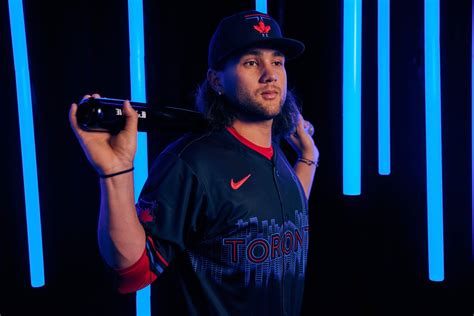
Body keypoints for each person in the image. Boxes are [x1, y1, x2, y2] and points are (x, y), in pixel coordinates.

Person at [69, 9, 319, 315]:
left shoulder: (275, 154)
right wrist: (114, 172)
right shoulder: (191, 162)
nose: (270, 75)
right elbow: (132, 270)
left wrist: (309, 158)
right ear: (216, 80)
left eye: (277, 62)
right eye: (252, 62)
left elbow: (281, 220)